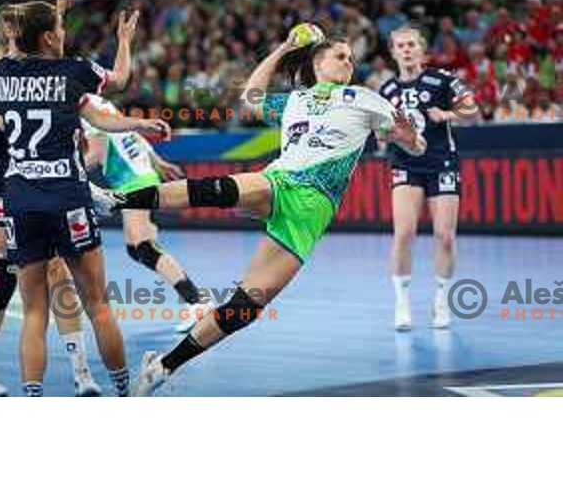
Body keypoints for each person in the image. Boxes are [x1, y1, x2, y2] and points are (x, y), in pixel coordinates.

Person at [104, 24, 426, 397]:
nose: (348, 62)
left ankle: (161, 367)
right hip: (281, 181)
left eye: (352, 58)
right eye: (340, 55)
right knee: (235, 187)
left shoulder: (364, 98)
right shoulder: (295, 101)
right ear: (318, 62)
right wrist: (284, 46)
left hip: (312, 211)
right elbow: (251, 95)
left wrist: (408, 138)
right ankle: (115, 202)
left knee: (246, 308)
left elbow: (414, 144)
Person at [0, 1, 167, 397]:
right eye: (59, 25)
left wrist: (51, 10)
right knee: (98, 305)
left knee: (34, 311)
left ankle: (39, 393)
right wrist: (124, 40)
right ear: (50, 36)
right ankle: (124, 392)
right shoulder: (74, 70)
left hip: (20, 200)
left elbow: (31, 46)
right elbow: (117, 86)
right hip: (66, 197)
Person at [378, 25, 476, 331]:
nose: (406, 50)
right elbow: (380, 136)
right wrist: (390, 134)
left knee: (445, 236)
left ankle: (441, 302)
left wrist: (447, 115)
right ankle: (402, 304)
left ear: (421, 50)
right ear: (392, 52)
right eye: (400, 45)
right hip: (406, 164)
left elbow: (472, 109)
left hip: (442, 162)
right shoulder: (386, 92)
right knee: (404, 233)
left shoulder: (442, 80)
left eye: (411, 44)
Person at [82, 96, 207, 333]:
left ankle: (197, 303)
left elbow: (97, 154)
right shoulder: (101, 103)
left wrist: (63, 171)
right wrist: (158, 162)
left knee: (144, 247)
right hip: (139, 175)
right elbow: (132, 133)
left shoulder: (84, 109)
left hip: (134, 181)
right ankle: (196, 301)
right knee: (135, 250)